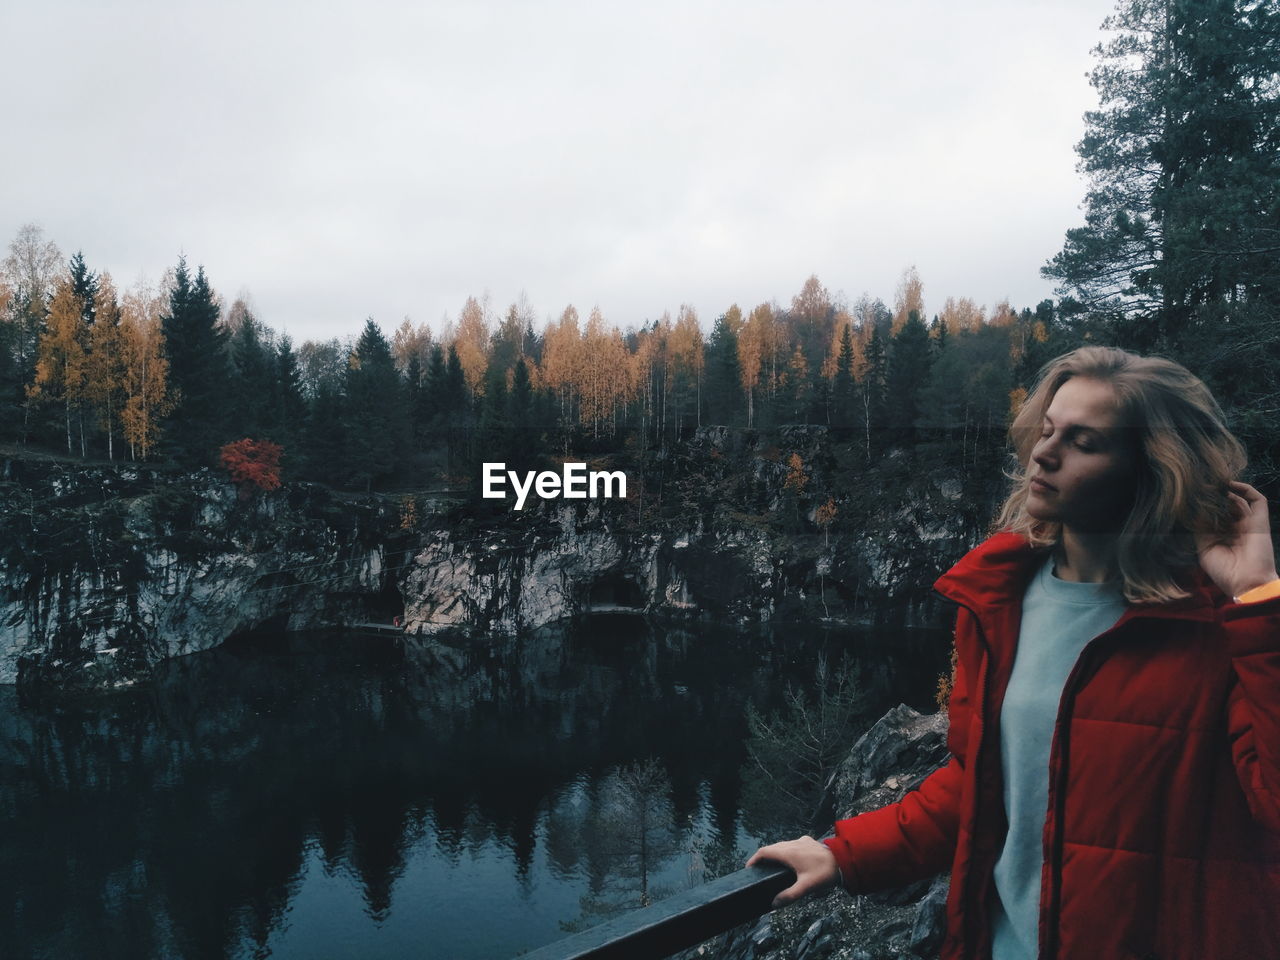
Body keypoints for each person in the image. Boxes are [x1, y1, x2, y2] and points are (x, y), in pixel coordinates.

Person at [746, 346, 1280, 959]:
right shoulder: (1000, 600)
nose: (1043, 454)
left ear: (1153, 471)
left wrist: (1258, 598)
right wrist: (843, 853)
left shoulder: (1224, 623)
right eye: (1047, 430)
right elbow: (980, 789)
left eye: (1084, 442)